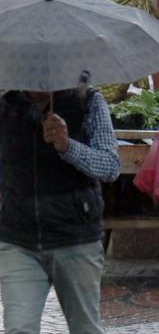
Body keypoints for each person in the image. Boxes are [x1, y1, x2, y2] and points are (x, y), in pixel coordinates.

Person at [0, 86, 120, 334]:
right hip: (19, 240)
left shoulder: (88, 102)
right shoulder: (6, 105)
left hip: (76, 238)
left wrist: (67, 146)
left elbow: (110, 166)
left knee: (84, 328)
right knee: (19, 328)